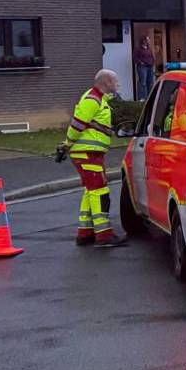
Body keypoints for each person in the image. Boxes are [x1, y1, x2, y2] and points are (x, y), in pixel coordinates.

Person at [64, 69, 127, 248]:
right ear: (107, 82)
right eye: (115, 81)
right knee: (99, 191)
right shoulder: (93, 100)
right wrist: (68, 143)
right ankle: (103, 235)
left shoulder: (97, 99)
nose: (117, 85)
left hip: (89, 153)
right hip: (87, 153)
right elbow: (77, 124)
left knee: (91, 190)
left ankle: (85, 233)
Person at [134, 36, 156, 100]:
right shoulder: (138, 48)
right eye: (148, 39)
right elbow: (135, 57)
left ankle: (149, 98)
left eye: (149, 39)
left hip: (150, 66)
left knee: (150, 82)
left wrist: (153, 61)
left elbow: (152, 56)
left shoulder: (149, 48)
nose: (149, 41)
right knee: (142, 82)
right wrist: (140, 62)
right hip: (142, 67)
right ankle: (142, 98)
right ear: (144, 40)